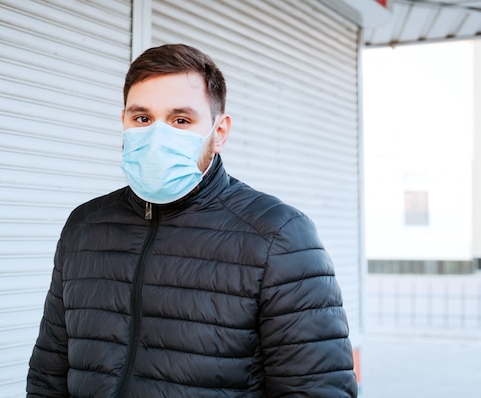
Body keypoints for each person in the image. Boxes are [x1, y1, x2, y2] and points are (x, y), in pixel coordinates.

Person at [26, 43, 358, 397]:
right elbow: (49, 375)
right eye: (142, 118)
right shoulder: (85, 227)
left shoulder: (278, 236)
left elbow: (317, 390)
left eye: (180, 120)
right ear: (123, 121)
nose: (156, 135)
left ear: (219, 131)